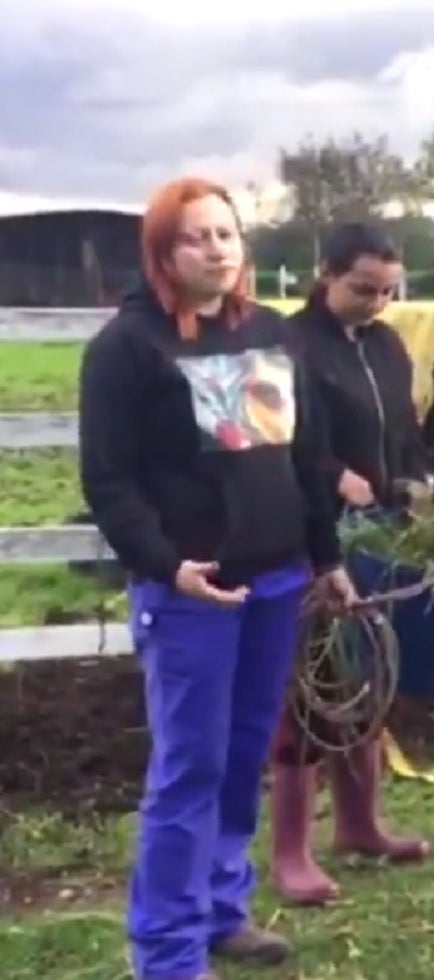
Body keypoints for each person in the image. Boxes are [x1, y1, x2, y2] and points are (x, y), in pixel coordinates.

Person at [77, 175, 359, 980]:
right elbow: (109, 481)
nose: (218, 249)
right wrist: (167, 566)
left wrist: (327, 556)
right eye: (197, 236)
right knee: (189, 766)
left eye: (228, 234)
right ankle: (165, 950)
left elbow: (306, 459)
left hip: (275, 584)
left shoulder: (272, 334)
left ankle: (220, 912)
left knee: (241, 760)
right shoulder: (128, 350)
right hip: (192, 593)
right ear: (163, 250)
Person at [267, 221, 432, 907]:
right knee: (311, 691)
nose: (377, 303)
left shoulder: (389, 345)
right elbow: (285, 438)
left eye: (389, 291)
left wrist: (419, 476)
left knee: (366, 678)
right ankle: (291, 854)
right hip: (311, 526)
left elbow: (404, 429)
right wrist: (336, 476)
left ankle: (361, 827)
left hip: (381, 531)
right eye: (364, 289)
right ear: (325, 273)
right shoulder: (288, 345)